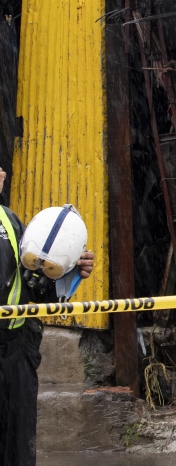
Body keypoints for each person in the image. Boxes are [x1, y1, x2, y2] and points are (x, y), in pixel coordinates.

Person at [0, 167, 95, 466]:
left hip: (13, 356)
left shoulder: (9, 220)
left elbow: (33, 287)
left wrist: (68, 271)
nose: (2, 172)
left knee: (17, 451)